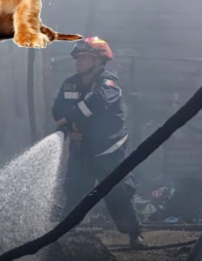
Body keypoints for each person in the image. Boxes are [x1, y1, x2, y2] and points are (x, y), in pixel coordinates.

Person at [52, 36, 147, 249]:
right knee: (74, 191)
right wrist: (71, 128)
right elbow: (58, 110)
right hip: (82, 149)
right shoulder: (70, 83)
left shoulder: (108, 82)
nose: (78, 62)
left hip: (109, 150)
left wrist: (70, 118)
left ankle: (134, 234)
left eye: (84, 57)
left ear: (98, 60)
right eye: (77, 58)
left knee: (118, 193)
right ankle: (63, 236)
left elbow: (97, 102)